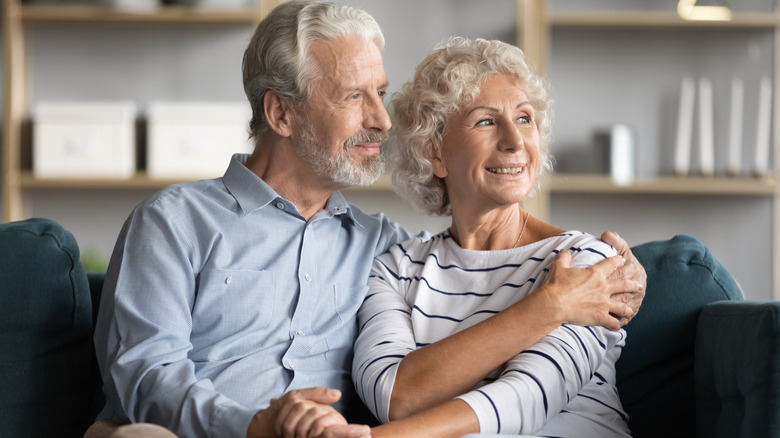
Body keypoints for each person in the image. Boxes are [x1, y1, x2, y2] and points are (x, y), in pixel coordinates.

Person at [86, 2, 645, 438]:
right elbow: (145, 374)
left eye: (380, 93)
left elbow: (478, 256)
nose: (381, 119)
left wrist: (622, 275)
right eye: (355, 96)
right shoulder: (173, 223)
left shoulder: (383, 247)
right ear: (281, 113)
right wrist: (252, 427)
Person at [353, 37, 638, 437]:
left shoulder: (584, 262)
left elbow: (525, 398)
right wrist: (551, 305)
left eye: (524, 119)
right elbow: (396, 395)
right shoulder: (395, 271)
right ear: (434, 152)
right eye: (486, 121)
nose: (515, 140)